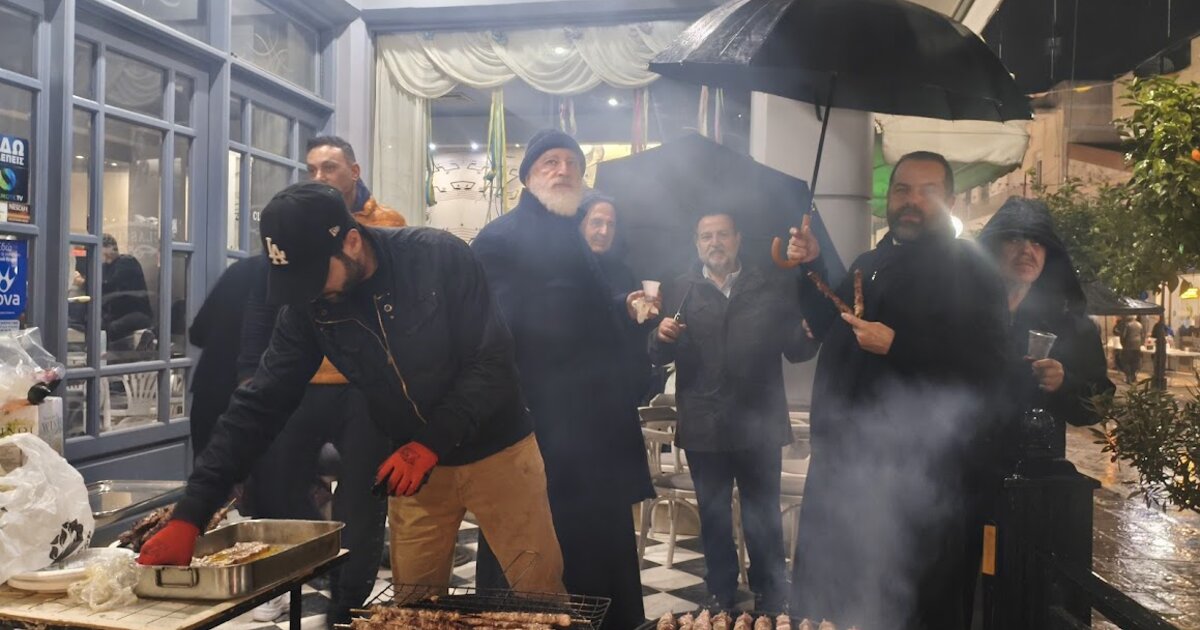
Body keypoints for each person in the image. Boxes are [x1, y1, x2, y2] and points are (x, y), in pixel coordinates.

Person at [136, 183, 566, 608]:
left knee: (540, 594)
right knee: (414, 608)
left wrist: (430, 443)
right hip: (414, 470)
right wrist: (192, 514)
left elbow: (492, 364)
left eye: (315, 276)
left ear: (353, 242)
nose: (310, 293)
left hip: (498, 454)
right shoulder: (310, 306)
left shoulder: (438, 257)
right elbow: (260, 403)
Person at [785, 151, 1008, 629]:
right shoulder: (870, 261)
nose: (912, 201)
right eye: (903, 189)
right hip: (843, 468)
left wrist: (900, 346)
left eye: (928, 191)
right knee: (832, 598)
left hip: (916, 481)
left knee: (904, 604)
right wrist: (811, 263)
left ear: (950, 201)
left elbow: (988, 365)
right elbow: (830, 321)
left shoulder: (972, 270)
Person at [471, 130, 653, 630]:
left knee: (596, 550)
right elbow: (495, 332)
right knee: (535, 555)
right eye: (550, 162)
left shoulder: (573, 234)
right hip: (541, 429)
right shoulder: (501, 238)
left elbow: (582, 311)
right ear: (527, 176)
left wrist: (621, 307)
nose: (563, 170)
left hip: (592, 433)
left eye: (572, 163)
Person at [234, 136, 409, 625]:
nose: (319, 176)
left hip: (363, 384)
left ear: (354, 171)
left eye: (329, 167)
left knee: (362, 498)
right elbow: (265, 299)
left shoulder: (386, 225)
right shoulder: (295, 220)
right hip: (302, 378)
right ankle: (279, 577)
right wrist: (249, 371)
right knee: (276, 479)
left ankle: (346, 601)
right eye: (311, 168)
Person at [650, 212, 816, 611]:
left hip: (759, 424)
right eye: (706, 236)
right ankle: (720, 590)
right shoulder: (680, 290)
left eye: (722, 234)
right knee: (713, 514)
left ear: (738, 239)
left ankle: (771, 591)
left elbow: (796, 350)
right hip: (704, 424)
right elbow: (657, 355)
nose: (715, 242)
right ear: (696, 243)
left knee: (763, 513)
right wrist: (659, 337)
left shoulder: (768, 286)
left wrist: (809, 331)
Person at [976, 197, 1115, 471]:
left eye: (1037, 242)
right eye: (1014, 239)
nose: (1027, 250)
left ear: (1048, 254)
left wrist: (1064, 383)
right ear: (993, 247)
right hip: (968, 469)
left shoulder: (1068, 324)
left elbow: (1099, 403)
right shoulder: (965, 311)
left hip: (1036, 475)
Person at [187, 255, 266, 457]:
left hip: (211, 393)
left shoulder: (240, 270)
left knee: (207, 469)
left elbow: (197, 333)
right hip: (259, 400)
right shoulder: (295, 279)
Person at [1120, 315, 1144, 384]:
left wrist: (1123, 344)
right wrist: (1140, 343)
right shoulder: (1140, 325)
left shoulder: (1127, 325)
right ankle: (1134, 377)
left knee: (1126, 362)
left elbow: (1123, 336)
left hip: (1128, 346)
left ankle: (1128, 378)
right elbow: (1142, 335)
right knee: (1135, 362)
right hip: (1137, 346)